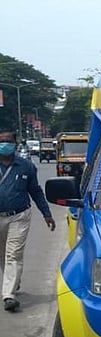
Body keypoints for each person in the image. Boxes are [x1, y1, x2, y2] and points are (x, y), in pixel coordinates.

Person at [0, 128, 56, 312]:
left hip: (19, 216)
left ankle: (8, 295)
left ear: (15, 144)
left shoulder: (26, 166)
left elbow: (36, 191)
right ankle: (13, 281)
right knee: (3, 255)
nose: (4, 144)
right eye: (1, 141)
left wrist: (46, 213)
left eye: (8, 141)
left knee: (13, 254)